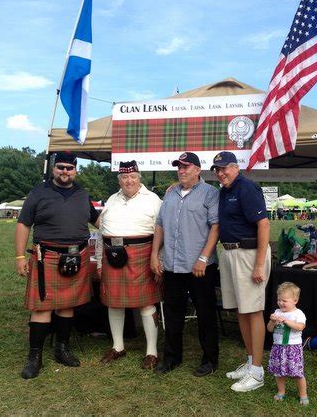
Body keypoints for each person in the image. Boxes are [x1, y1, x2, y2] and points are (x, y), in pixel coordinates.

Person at [15, 151, 100, 379]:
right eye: (60, 167)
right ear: (53, 168)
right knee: (41, 307)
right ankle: (35, 357)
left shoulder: (82, 194)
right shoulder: (38, 192)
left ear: (75, 170)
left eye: (69, 168)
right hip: (47, 258)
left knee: (67, 306)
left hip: (76, 256)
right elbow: (23, 224)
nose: (65, 171)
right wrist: (20, 257)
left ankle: (62, 349)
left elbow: (97, 220)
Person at [151, 151, 220, 377]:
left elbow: (215, 228)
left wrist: (202, 257)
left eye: (186, 167)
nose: (181, 171)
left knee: (205, 314)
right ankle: (172, 358)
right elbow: (160, 225)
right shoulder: (170, 194)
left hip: (200, 267)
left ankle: (210, 360)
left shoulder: (210, 194)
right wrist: (155, 255)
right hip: (173, 265)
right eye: (179, 167)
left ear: (198, 170)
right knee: (172, 315)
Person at [211, 151, 271, 392]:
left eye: (224, 168)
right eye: (217, 169)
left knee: (253, 311)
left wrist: (258, 264)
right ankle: (249, 362)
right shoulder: (225, 191)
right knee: (241, 311)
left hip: (249, 255)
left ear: (236, 167)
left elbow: (264, 224)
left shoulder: (246, 188)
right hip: (230, 254)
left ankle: (257, 373)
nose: (220, 173)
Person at [99, 161, 162, 370]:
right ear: (119, 179)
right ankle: (118, 346)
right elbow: (101, 233)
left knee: (146, 303)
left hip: (142, 254)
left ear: (139, 177)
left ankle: (151, 351)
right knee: (114, 302)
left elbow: (162, 232)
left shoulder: (153, 200)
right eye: (124, 177)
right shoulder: (111, 199)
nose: (129, 181)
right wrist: (100, 260)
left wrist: (158, 257)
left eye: (133, 176)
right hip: (112, 253)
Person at [267, 282, 308, 406]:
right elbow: (269, 329)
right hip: (278, 347)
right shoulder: (277, 312)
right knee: (279, 372)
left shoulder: (298, 314)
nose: (280, 303)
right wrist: (273, 322)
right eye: (279, 300)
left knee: (297, 373)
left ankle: (303, 394)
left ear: (295, 300)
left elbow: (300, 327)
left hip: (292, 348)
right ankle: (281, 391)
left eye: (284, 300)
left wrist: (286, 321)